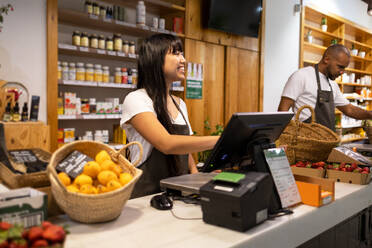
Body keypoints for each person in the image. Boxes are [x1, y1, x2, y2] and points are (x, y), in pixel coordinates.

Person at [120, 34, 219, 198]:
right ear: (155, 59)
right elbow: (166, 143)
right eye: (176, 53)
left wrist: (196, 177)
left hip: (178, 194)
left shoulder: (180, 104)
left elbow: (185, 150)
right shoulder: (137, 99)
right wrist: (220, 140)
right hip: (146, 197)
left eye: (182, 54)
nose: (183, 60)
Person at [278, 44, 372, 131]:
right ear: (326, 59)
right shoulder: (301, 76)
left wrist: (369, 114)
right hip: (304, 142)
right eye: (340, 67)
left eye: (344, 68)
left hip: (327, 143)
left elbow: (349, 109)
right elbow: (282, 111)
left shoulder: (333, 84)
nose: (342, 72)